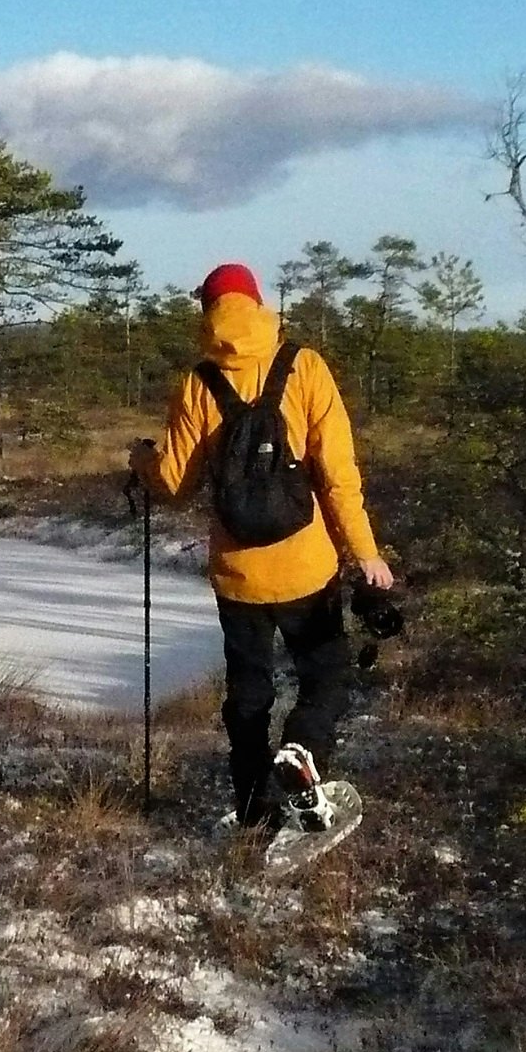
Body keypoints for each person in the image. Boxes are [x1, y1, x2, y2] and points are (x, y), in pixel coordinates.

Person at [129, 263, 396, 831]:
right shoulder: (305, 366)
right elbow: (338, 474)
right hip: (308, 567)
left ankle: (254, 809)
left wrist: (143, 461)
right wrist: (366, 552)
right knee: (325, 676)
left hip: (238, 576)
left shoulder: (198, 382)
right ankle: (303, 751)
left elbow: (174, 484)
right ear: (257, 304)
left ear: (208, 310)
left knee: (249, 695)